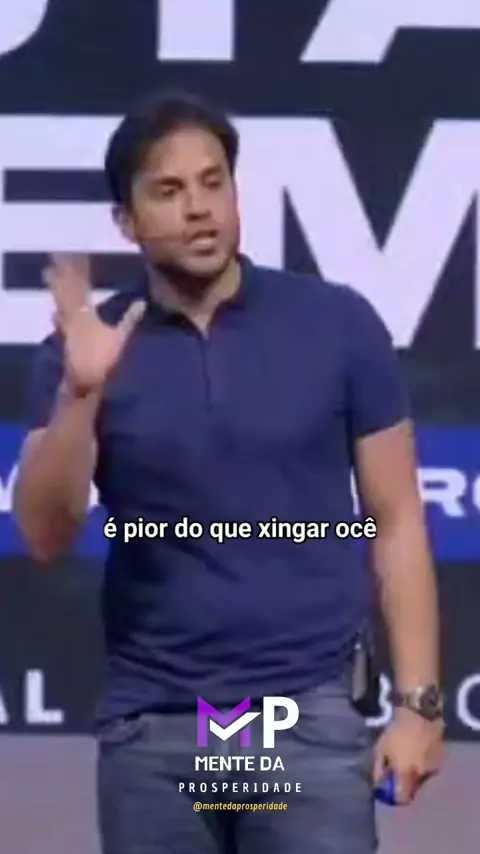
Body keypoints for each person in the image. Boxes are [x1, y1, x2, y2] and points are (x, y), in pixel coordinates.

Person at [13, 89, 444, 854]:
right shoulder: (86, 350)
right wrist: (81, 393)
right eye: (169, 190)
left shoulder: (338, 325)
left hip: (306, 715)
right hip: (157, 725)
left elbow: (398, 518)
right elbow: (46, 535)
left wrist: (419, 705)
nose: (199, 208)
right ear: (126, 220)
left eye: (214, 182)